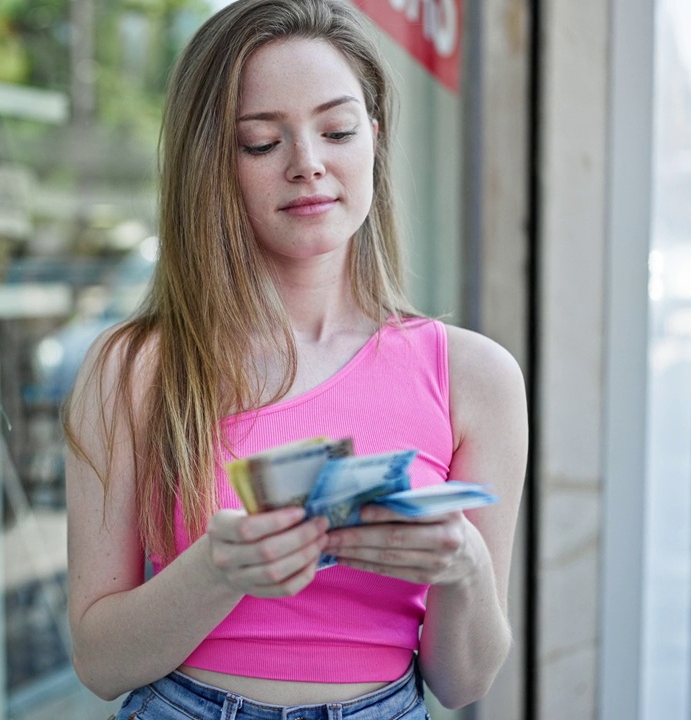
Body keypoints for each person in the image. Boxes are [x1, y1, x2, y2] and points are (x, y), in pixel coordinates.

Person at [63, 0, 528, 717]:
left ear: (373, 139)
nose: (308, 165)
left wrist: (464, 570)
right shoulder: (135, 368)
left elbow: (464, 685)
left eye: (337, 130)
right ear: (212, 164)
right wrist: (218, 572)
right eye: (260, 143)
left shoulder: (476, 378)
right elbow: (99, 663)